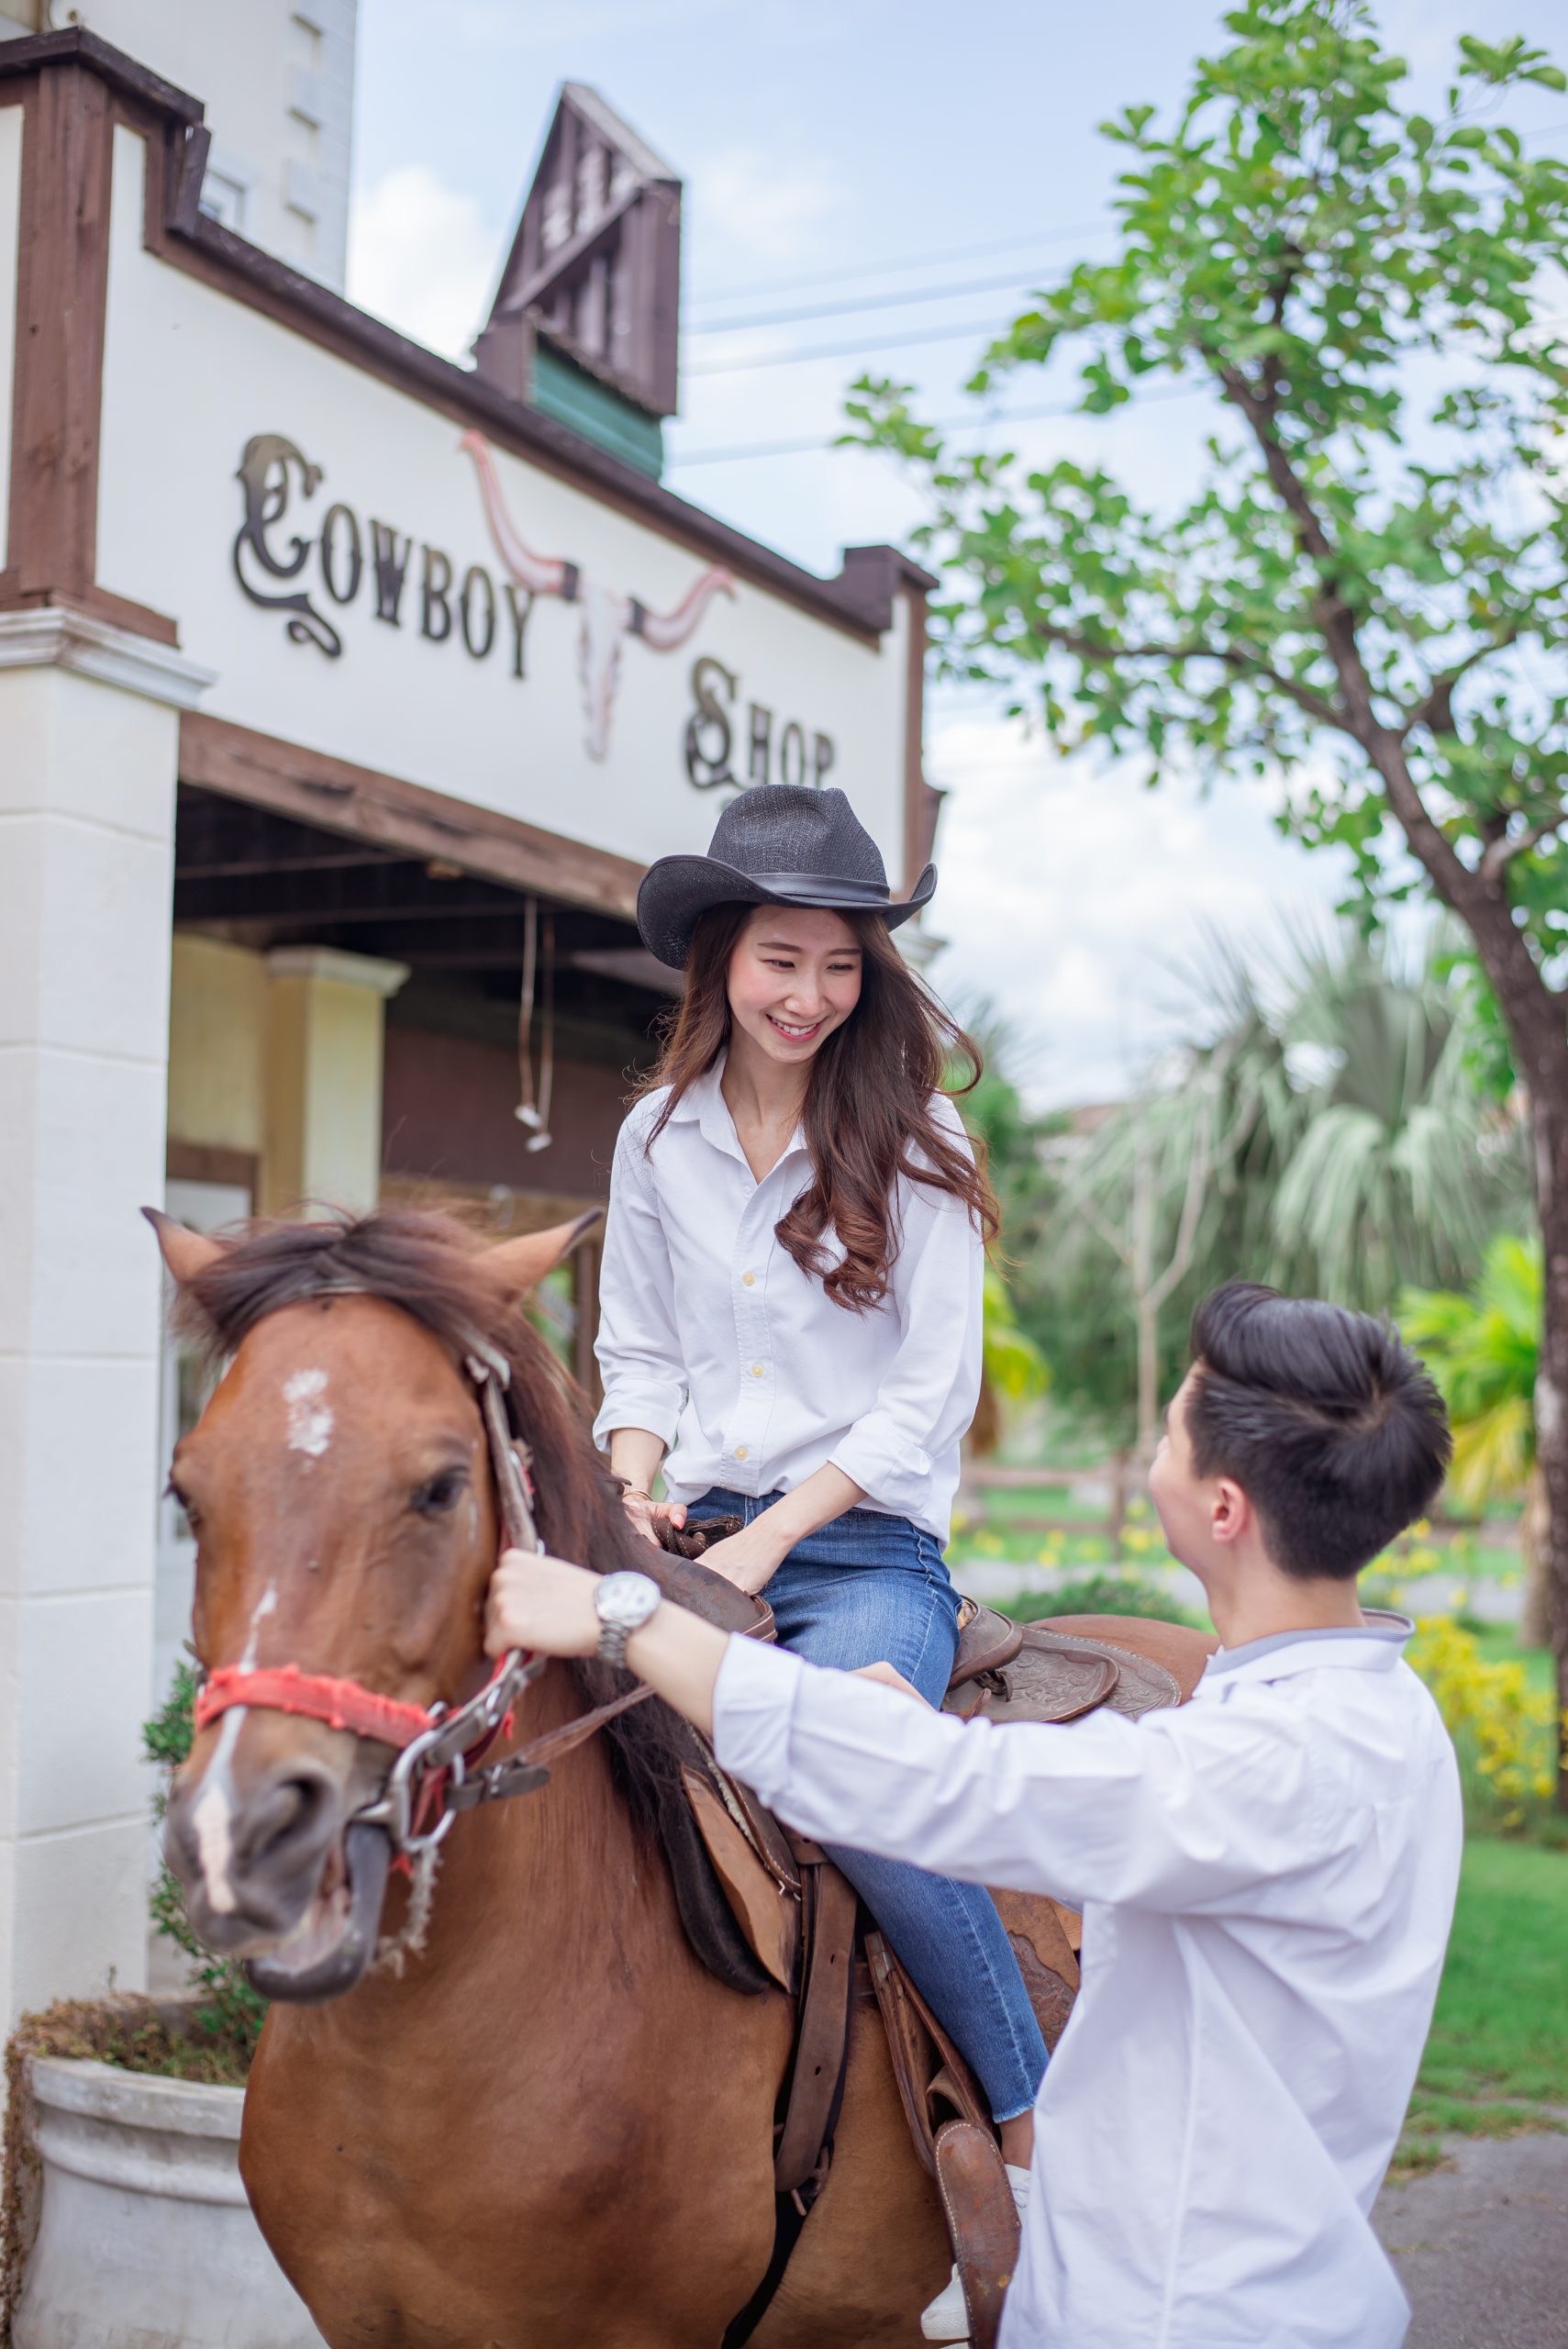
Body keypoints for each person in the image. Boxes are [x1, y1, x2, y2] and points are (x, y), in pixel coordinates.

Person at [490, 1282, 1462, 2349]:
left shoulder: (1268, 1764)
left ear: (1223, 1508)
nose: (1157, 1432)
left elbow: (964, 1801)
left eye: (1176, 1419)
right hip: (1270, 2284)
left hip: (1170, 2314)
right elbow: (1129, 1793)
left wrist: (617, 1612)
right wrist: (928, 1733)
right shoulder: (1379, 1712)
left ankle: (1016, 2115)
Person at [592, 782, 1048, 2334]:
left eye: (839, 963)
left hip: (856, 1554)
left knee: (866, 1780)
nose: (809, 994)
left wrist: (771, 1540)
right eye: (780, 959)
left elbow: (927, 1398)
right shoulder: (651, 1135)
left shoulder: (917, 1135)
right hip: (686, 1537)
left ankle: (1032, 2132)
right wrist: (630, 1486)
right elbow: (636, 1353)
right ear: (720, 956)